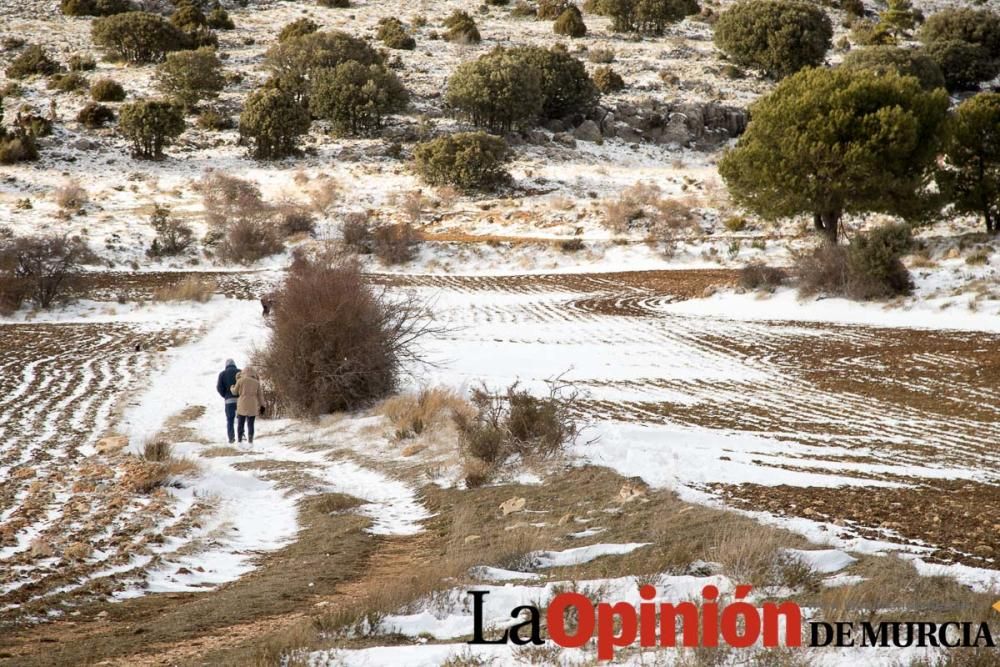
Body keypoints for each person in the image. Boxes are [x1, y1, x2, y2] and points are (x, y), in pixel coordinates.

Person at [234, 366, 266, 445]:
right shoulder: (256, 382)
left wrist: (232, 387)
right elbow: (260, 395)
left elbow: (235, 392)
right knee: (250, 424)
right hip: (252, 405)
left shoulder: (240, 380)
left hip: (242, 404)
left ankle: (240, 440)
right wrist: (262, 406)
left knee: (240, 423)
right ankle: (250, 440)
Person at [216, 358, 240, 444]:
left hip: (229, 400)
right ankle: (241, 436)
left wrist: (225, 395)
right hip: (240, 400)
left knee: (230, 420)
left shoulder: (222, 374)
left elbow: (219, 388)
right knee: (241, 418)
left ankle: (231, 438)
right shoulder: (240, 372)